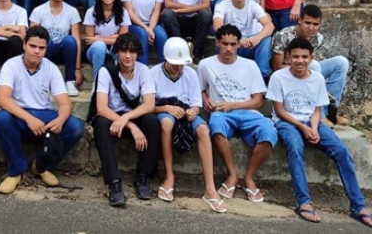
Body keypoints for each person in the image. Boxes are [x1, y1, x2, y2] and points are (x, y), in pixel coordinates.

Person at [266, 38, 372, 227]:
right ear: (288, 57)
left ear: (312, 57)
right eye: (295, 57)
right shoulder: (279, 77)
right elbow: (279, 111)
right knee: (295, 147)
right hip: (287, 121)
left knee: (342, 152)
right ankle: (303, 202)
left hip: (312, 121)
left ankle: (358, 206)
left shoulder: (317, 78)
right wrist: (304, 127)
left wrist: (314, 126)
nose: (300, 61)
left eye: (304, 57)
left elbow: (317, 109)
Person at [0, 26, 85, 194]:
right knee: (2, 119)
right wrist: (28, 118)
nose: (36, 51)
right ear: (24, 45)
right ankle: (16, 172)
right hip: (19, 116)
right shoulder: (11, 65)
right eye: (32, 46)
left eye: (41, 48)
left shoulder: (51, 68)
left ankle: (42, 166)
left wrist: (60, 120)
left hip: (44, 116)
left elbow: (65, 104)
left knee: (76, 127)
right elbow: (3, 99)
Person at [199, 24, 277, 204]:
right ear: (217, 42)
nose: (228, 48)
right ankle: (232, 174)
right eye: (224, 43)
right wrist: (205, 98)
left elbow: (258, 101)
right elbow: (200, 90)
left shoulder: (250, 66)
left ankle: (248, 177)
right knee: (216, 127)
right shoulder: (205, 64)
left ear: (239, 45)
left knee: (269, 131)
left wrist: (232, 105)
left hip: (247, 111)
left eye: (233, 44)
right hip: (221, 113)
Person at [152, 37, 225, 212]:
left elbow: (196, 104)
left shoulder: (191, 73)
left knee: (202, 129)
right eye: (174, 64)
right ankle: (169, 176)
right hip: (164, 111)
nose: (178, 68)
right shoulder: (153, 73)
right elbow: (148, 106)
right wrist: (167, 108)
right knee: (168, 123)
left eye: (181, 64)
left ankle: (210, 187)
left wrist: (193, 111)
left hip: (185, 111)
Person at [92, 32, 159, 206]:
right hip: (112, 117)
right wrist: (129, 125)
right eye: (123, 51)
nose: (128, 56)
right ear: (117, 53)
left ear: (137, 53)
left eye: (132, 51)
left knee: (152, 121)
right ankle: (114, 183)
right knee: (100, 124)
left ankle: (143, 176)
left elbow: (150, 104)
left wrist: (128, 118)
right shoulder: (106, 71)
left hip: (130, 114)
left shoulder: (143, 70)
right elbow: (101, 108)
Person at [271, 4, 350, 126]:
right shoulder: (283, 36)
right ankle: (321, 116)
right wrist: (305, 68)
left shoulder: (318, 38)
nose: (311, 28)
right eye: (307, 23)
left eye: (315, 24)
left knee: (341, 62)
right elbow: (276, 67)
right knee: (314, 66)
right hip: (287, 73)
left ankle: (332, 111)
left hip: (306, 71)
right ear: (300, 20)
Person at [30, 0, 83, 96]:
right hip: (43, 53)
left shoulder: (72, 11)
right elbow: (31, 40)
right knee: (43, 39)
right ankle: (43, 80)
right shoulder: (38, 11)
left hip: (62, 52)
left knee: (70, 40)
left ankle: (69, 81)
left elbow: (77, 40)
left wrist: (78, 68)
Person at [213, 0, 274, 79]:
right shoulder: (222, 6)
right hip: (230, 45)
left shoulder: (254, 6)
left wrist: (256, 38)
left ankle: (262, 76)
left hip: (247, 45)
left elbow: (270, 26)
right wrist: (237, 40)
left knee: (266, 39)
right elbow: (218, 27)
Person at [84, 0, 130, 81]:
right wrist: (113, 38)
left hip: (114, 49)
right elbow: (89, 40)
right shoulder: (91, 12)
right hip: (95, 51)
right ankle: (98, 85)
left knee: (121, 48)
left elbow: (123, 40)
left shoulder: (123, 12)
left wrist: (99, 38)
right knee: (100, 46)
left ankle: (122, 83)